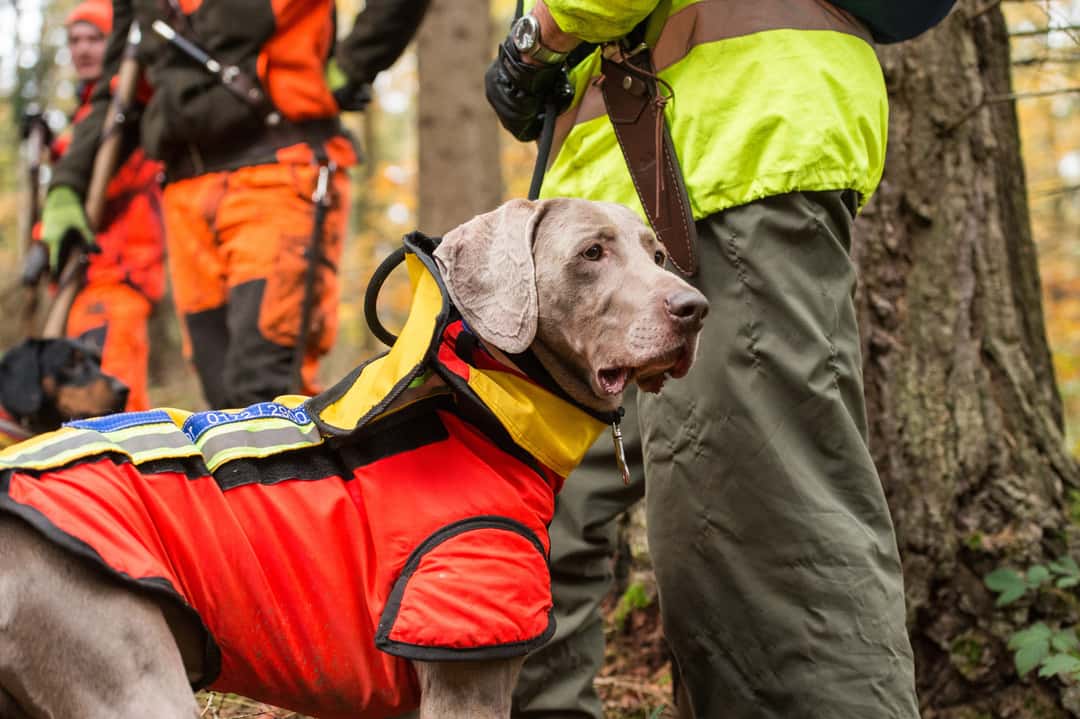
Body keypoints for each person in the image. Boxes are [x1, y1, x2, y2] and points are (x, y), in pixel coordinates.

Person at [485, 1, 927, 716]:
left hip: (725, 151)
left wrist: (536, 38)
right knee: (538, 525)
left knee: (762, 552)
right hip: (633, 185)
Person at [40, 0, 430, 408]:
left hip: (279, 170)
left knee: (266, 388)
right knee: (222, 396)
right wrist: (67, 186)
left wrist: (354, 64)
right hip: (185, 193)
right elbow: (118, 91)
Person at [50, 0, 166, 412]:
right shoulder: (86, 116)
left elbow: (116, 178)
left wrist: (65, 155)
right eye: (74, 40)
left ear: (114, 42)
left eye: (95, 39)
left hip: (117, 282)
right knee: (84, 411)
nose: (82, 49)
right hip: (83, 284)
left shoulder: (133, 111)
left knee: (112, 410)